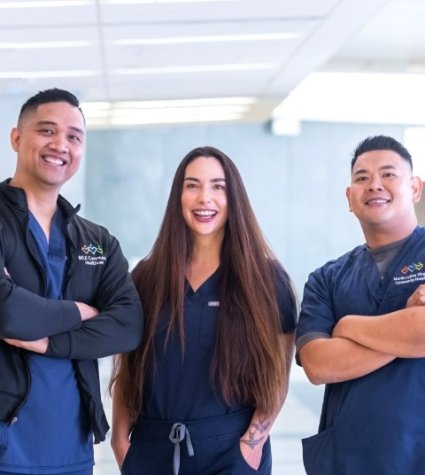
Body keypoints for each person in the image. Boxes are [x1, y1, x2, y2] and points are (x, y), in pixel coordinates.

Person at [109, 146, 297, 475]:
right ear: (177, 196)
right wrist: (121, 441)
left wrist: (252, 443)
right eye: (192, 185)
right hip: (152, 450)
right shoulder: (146, 277)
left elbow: (278, 372)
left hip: (230, 451)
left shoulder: (265, 279)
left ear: (233, 197)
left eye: (218, 186)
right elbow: (129, 365)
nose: (204, 198)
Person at [0, 88, 143, 475]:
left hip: (70, 446)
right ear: (16, 137)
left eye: (74, 137)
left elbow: (128, 325)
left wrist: (50, 341)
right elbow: (8, 313)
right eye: (47, 131)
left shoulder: (95, 241)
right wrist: (82, 311)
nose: (60, 145)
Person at [296, 135, 425, 474]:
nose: (374, 185)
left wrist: (348, 326)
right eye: (362, 178)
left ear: (414, 188)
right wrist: (405, 327)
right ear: (349, 197)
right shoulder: (327, 278)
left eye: (388, 174)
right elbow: (318, 364)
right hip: (350, 457)